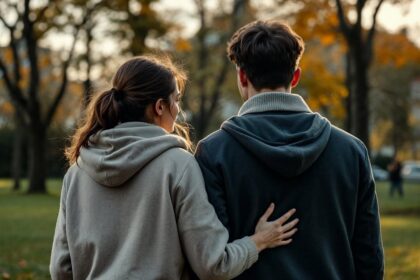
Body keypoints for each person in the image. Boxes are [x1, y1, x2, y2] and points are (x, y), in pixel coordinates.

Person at [49, 55, 299, 280]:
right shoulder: (178, 166)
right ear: (160, 107)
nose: (178, 110)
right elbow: (213, 266)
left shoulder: (77, 173)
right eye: (176, 101)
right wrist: (258, 241)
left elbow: (61, 269)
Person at [195, 20, 384, 279]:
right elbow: (369, 258)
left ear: (242, 76)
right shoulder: (351, 151)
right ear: (295, 76)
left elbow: (208, 258)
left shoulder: (214, 153)